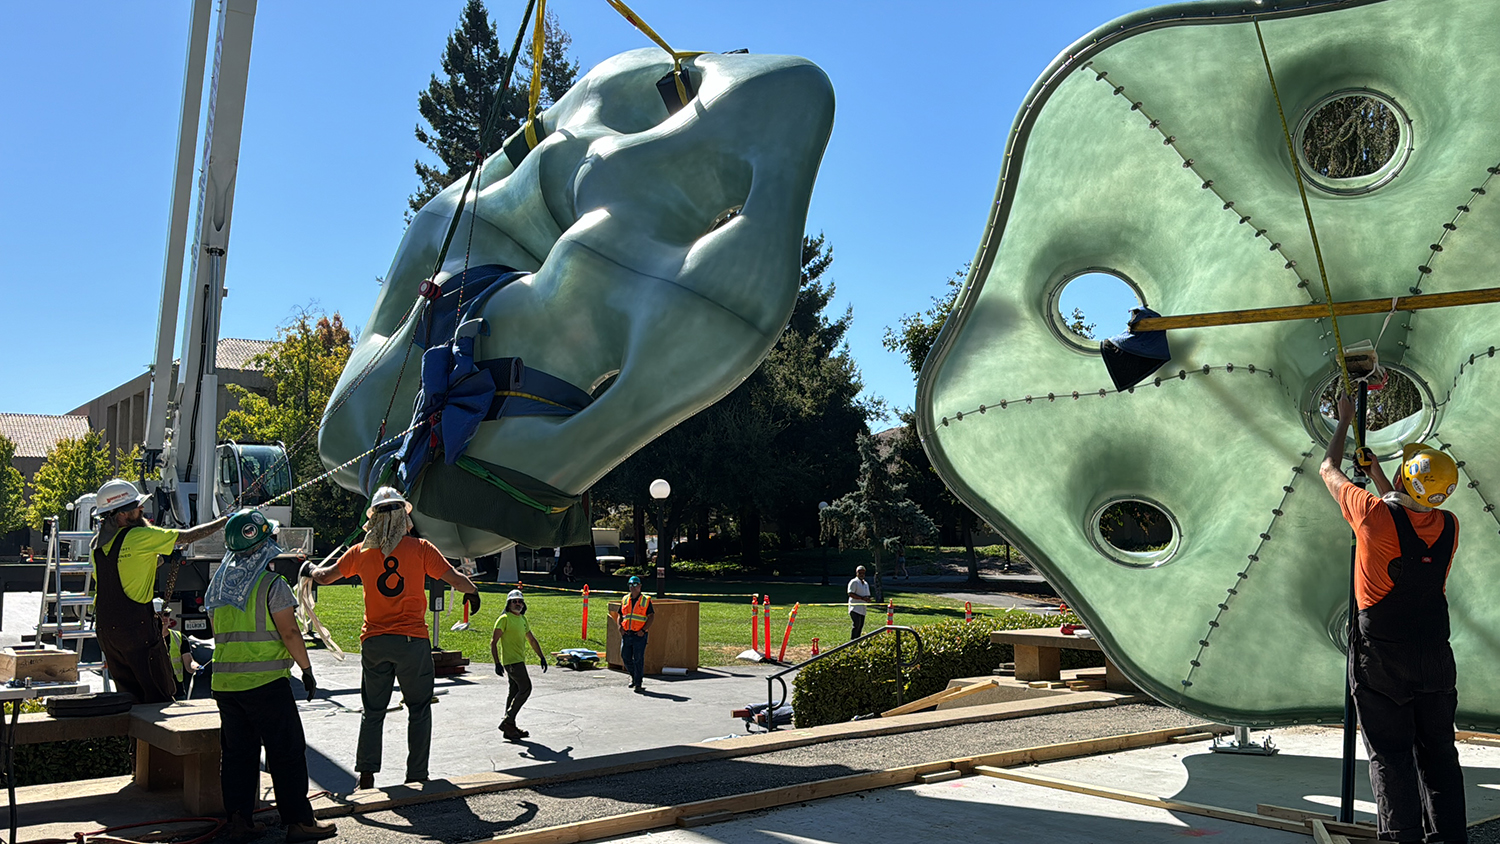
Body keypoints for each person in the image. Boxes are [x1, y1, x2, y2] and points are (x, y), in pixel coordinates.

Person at [1320, 393, 1467, 843]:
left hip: (1382, 659)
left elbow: (1328, 470)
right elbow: (1411, 514)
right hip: (1435, 658)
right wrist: (1380, 474)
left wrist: (1344, 422)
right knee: (1439, 753)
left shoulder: (1371, 514)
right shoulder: (1449, 526)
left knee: (1391, 756)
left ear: (1406, 477)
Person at [306, 486, 479, 790]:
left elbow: (324, 576)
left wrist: (307, 567)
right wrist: (473, 592)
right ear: (403, 516)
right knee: (419, 708)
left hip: (374, 641)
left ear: (373, 518)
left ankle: (367, 775)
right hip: (412, 641)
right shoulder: (421, 549)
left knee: (373, 710)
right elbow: (453, 577)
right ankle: (416, 775)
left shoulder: (360, 552)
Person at [207, 509, 336, 843]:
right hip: (265, 683)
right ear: (263, 542)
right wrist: (306, 670)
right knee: (286, 753)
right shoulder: (271, 584)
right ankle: (298, 822)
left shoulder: (220, 586)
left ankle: (239, 821)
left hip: (225, 685)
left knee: (238, 757)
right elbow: (290, 632)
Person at [90, 478, 228, 704]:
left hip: (107, 630)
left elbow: (118, 573)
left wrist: (160, 559)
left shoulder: (98, 544)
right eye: (135, 507)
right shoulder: (140, 536)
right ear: (121, 514)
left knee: (129, 697)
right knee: (158, 694)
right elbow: (187, 536)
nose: (141, 509)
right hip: (135, 628)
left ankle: (134, 738)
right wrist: (222, 522)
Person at [491, 589, 547, 740]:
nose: (518, 604)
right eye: (514, 601)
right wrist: (497, 663)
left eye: (520, 601)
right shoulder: (504, 619)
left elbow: (532, 640)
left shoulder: (523, 620)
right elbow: (493, 642)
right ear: (508, 604)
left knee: (514, 691)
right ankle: (508, 720)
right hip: (512, 662)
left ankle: (510, 728)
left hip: (519, 660)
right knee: (526, 688)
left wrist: (541, 657)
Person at [616, 575, 653, 691]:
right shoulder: (625, 599)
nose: (633, 587)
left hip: (639, 635)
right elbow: (620, 615)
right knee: (625, 657)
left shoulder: (645, 600)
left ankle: (638, 683)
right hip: (627, 634)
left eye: (635, 585)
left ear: (640, 586)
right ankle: (634, 676)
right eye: (631, 585)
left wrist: (643, 630)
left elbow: (651, 616)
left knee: (638, 659)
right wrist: (619, 627)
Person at [156, 604, 199, 700]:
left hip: (177, 691)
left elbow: (189, 662)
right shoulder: (145, 640)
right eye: (160, 615)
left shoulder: (179, 637)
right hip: (155, 692)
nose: (164, 618)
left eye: (166, 614)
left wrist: (195, 667)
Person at [847, 566, 872, 640]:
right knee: (856, 625)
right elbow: (850, 593)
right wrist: (862, 598)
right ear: (856, 573)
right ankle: (852, 641)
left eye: (863, 573)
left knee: (860, 626)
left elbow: (867, 595)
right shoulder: (854, 582)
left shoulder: (866, 584)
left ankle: (858, 641)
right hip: (854, 608)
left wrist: (868, 599)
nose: (861, 574)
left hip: (862, 609)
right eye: (860, 573)